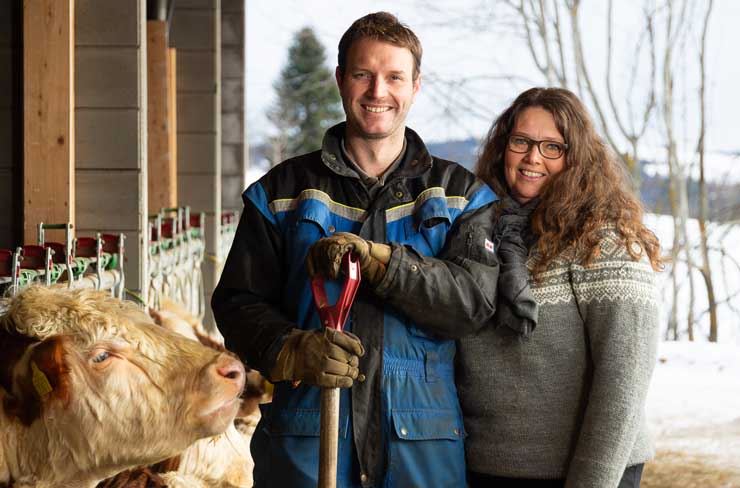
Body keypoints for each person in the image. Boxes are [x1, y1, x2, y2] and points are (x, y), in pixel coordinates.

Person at [212, 12, 529, 487]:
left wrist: (386, 267)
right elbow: (237, 304)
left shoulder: (461, 194)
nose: (378, 92)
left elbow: (471, 305)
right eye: (364, 74)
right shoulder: (279, 193)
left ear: (416, 86)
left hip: (421, 448)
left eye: (394, 77)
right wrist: (291, 348)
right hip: (307, 443)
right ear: (341, 79)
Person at [458, 86, 663, 488]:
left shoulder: (607, 242)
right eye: (522, 141)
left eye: (553, 147)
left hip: (582, 473)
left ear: (577, 158)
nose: (533, 157)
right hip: (485, 470)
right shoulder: (475, 233)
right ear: (503, 147)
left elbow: (623, 382)